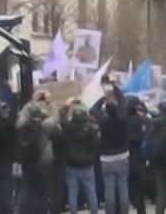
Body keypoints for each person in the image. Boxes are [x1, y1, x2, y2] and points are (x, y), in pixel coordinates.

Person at [16, 94, 58, 214]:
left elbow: (22, 115)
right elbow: (55, 117)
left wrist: (31, 102)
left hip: (28, 163)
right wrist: (50, 103)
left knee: (28, 190)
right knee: (43, 192)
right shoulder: (45, 126)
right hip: (44, 163)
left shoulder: (22, 127)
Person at [93, 80, 130, 214]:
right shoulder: (122, 119)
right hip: (122, 155)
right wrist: (115, 87)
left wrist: (103, 97)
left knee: (109, 189)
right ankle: (124, 211)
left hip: (106, 157)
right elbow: (123, 102)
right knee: (123, 187)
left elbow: (93, 109)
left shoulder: (103, 121)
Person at [61, 103, 100, 214]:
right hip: (87, 164)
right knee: (91, 190)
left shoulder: (67, 126)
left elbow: (61, 116)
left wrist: (67, 105)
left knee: (72, 192)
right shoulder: (91, 128)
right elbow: (97, 144)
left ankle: (74, 211)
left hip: (71, 164)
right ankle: (94, 211)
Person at [126, 98, 149, 214]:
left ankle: (134, 200)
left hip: (129, 152)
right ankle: (139, 204)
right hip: (138, 153)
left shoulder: (125, 121)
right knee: (138, 179)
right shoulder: (142, 120)